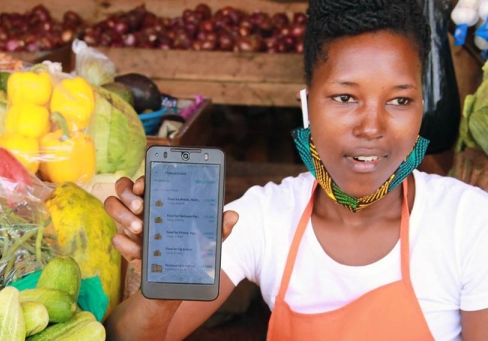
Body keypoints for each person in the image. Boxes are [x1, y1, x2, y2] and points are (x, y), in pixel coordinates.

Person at [103, 0, 488, 339]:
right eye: (344, 97)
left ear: (422, 106)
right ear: (306, 104)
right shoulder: (263, 218)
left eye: (400, 100)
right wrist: (166, 284)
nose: (371, 127)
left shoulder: (469, 222)